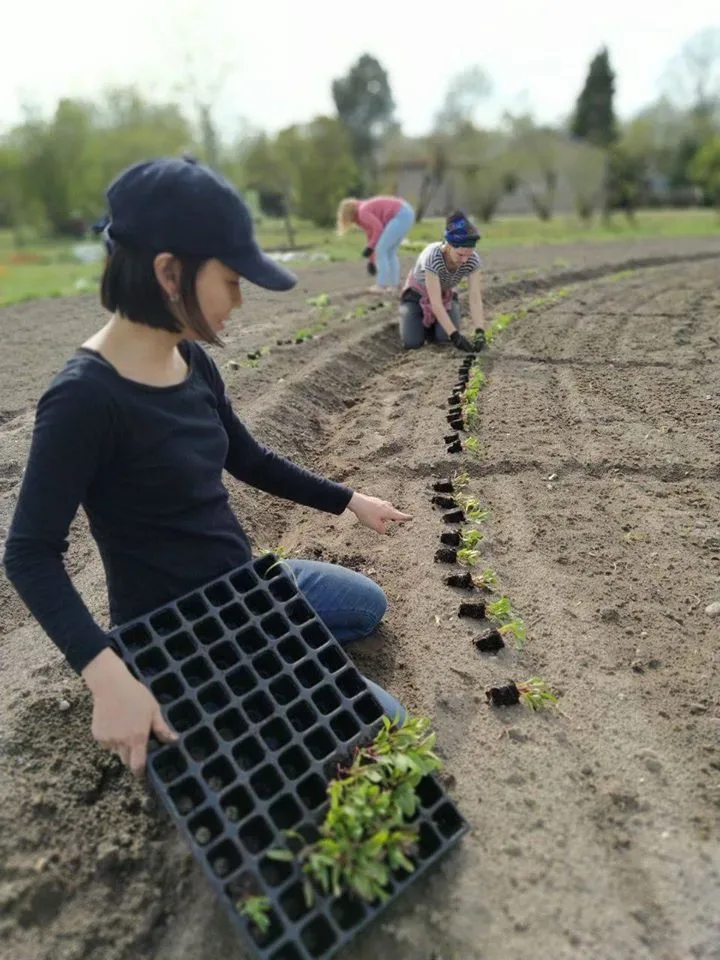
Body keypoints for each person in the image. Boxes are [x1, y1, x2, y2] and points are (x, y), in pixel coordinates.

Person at [2, 157, 412, 777]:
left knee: (366, 605)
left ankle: (280, 656)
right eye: (231, 280)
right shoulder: (85, 398)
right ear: (169, 272)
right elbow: (29, 553)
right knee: (388, 727)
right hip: (178, 632)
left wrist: (349, 499)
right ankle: (263, 675)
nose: (239, 301)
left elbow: (245, 456)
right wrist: (106, 676)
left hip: (238, 585)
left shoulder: (191, 361)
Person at [399, 211, 485, 352]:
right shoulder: (433, 258)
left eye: (469, 254)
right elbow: (435, 303)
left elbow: (475, 297)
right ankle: (421, 323)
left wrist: (480, 331)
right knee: (413, 343)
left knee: (443, 339)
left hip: (445, 296)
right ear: (449, 245)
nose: (464, 260)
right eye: (461, 254)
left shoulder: (472, 260)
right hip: (416, 297)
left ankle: (436, 327)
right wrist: (455, 335)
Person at [336, 195, 415, 293]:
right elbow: (371, 236)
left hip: (400, 214)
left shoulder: (362, 212)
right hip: (406, 212)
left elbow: (378, 229)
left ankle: (381, 285)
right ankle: (394, 285)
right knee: (390, 252)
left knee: (381, 250)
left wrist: (370, 247)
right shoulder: (363, 212)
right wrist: (371, 260)